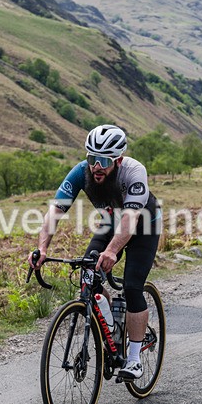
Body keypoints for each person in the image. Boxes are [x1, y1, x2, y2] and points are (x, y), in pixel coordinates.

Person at [28, 125, 161, 380]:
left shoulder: (134, 172)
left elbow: (130, 221)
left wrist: (112, 251)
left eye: (103, 161)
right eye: (92, 159)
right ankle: (109, 327)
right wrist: (42, 247)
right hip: (112, 223)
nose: (96, 167)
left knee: (133, 287)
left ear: (118, 160)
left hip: (143, 227)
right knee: (88, 275)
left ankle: (134, 359)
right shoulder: (81, 172)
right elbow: (54, 212)